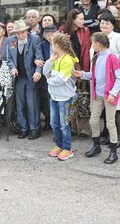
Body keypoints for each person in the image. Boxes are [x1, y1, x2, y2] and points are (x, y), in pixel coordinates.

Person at [75, 32, 120, 164]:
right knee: (93, 120)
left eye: (92, 43)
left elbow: (119, 78)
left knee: (110, 123)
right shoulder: (96, 57)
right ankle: (96, 146)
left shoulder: (112, 58)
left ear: (98, 44)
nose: (91, 45)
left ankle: (113, 152)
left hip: (109, 96)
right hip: (97, 95)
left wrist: (113, 93)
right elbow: (93, 75)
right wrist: (82, 74)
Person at [96, 12, 120, 146]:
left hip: (117, 75)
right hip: (103, 78)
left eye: (107, 23)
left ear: (112, 25)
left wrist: (109, 57)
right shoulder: (98, 37)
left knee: (118, 108)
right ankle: (110, 136)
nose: (104, 25)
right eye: (102, 23)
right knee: (107, 108)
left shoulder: (118, 37)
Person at [43, 32, 78, 161]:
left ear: (56, 45)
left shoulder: (68, 60)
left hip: (65, 97)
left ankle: (67, 148)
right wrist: (50, 61)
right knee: (54, 123)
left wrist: (49, 79)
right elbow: (45, 72)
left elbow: (61, 80)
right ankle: (59, 145)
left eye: (52, 43)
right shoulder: (55, 58)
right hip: (54, 95)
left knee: (64, 124)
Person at [7, 20, 44, 140]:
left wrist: (38, 71)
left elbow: (39, 57)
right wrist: (12, 68)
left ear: (26, 30)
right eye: (17, 33)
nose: (20, 35)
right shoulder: (11, 40)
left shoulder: (34, 39)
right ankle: (23, 128)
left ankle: (35, 129)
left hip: (31, 75)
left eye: (22, 32)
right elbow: (9, 59)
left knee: (32, 103)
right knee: (20, 104)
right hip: (19, 77)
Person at [60, 9, 92, 139]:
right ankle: (72, 127)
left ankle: (84, 129)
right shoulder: (62, 30)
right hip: (67, 69)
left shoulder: (85, 31)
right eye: (80, 19)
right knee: (70, 98)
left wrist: (84, 71)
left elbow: (87, 50)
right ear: (72, 20)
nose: (82, 21)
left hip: (81, 67)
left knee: (83, 98)